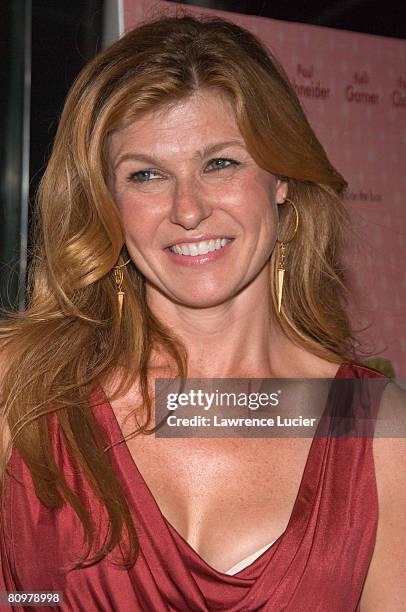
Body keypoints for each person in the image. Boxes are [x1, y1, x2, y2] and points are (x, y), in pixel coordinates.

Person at [0, 12, 405, 612]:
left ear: (281, 179)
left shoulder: (371, 430)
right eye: (147, 175)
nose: (187, 210)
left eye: (220, 163)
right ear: (107, 204)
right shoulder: (22, 384)